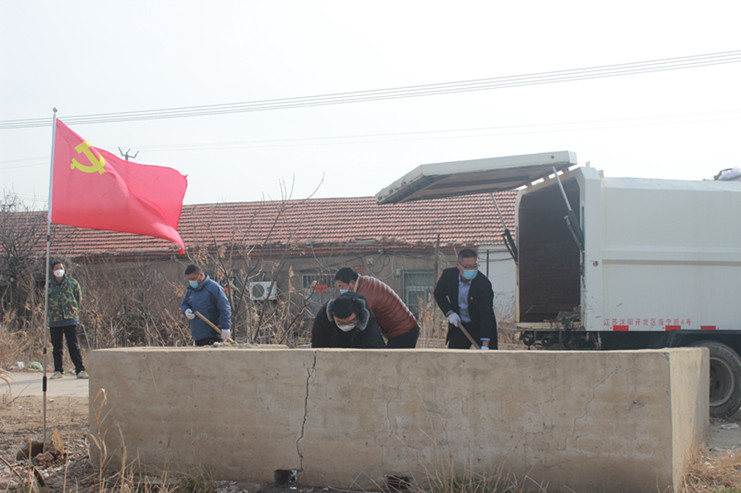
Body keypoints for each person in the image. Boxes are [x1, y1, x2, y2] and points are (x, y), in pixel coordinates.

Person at [334, 267, 420, 348]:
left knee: (391, 358)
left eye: (341, 286)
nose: (341, 290)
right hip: (405, 329)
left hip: (403, 332)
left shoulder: (364, 296)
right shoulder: (365, 281)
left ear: (352, 283)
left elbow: (365, 325)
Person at [434, 249, 498, 350]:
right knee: (455, 357)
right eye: (468, 267)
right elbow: (438, 294)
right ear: (458, 266)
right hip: (460, 325)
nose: (472, 270)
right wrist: (450, 313)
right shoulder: (448, 276)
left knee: (489, 358)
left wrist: (485, 344)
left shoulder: (483, 284)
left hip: (480, 326)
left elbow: (486, 314)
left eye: (474, 266)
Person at [48, 260, 88, 379]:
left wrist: (73, 310)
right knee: (57, 347)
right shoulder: (49, 285)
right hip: (55, 319)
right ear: (52, 271)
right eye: (56, 268)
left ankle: (80, 370)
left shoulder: (72, 283)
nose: (59, 270)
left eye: (61, 268)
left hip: (70, 319)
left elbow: (78, 297)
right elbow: (46, 300)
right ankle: (58, 370)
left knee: (73, 345)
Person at [180, 264, 232, 346]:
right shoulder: (191, 290)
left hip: (213, 334)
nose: (191, 282)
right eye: (189, 280)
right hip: (197, 335)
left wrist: (225, 327)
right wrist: (186, 310)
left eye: (193, 279)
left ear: (201, 275)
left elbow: (224, 308)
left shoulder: (214, 288)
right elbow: (184, 304)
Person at [311, 292, 386, 348]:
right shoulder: (323, 316)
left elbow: (374, 345)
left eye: (351, 321)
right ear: (332, 314)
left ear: (357, 314)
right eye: (340, 322)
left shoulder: (365, 316)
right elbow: (317, 342)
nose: (346, 326)